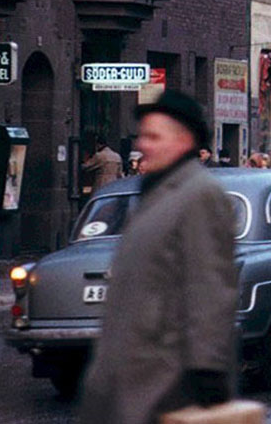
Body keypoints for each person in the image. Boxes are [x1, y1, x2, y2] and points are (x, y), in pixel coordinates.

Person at [81, 90, 237, 424]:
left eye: (154, 137)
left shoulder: (200, 194)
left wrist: (206, 372)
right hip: (125, 378)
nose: (143, 145)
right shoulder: (154, 191)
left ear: (183, 141)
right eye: (142, 136)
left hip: (165, 384)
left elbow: (209, 288)